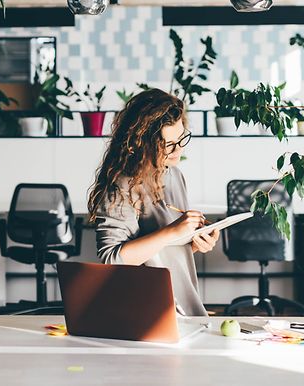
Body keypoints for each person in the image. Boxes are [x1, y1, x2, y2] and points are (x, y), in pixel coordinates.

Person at [87, 88, 219, 316]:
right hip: (143, 312)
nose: (178, 150)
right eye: (168, 144)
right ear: (140, 142)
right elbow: (112, 260)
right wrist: (173, 231)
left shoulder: (173, 174)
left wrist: (193, 244)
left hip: (183, 307)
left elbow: (161, 252)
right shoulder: (122, 185)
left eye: (181, 139)